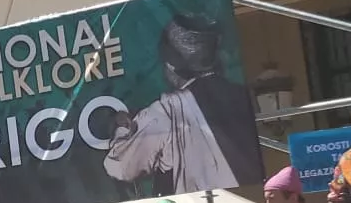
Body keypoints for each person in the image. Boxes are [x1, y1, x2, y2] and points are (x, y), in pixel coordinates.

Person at [104, 14, 263, 193]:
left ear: (171, 65)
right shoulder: (244, 95)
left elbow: (121, 167)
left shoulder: (168, 110)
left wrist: (122, 128)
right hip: (251, 196)